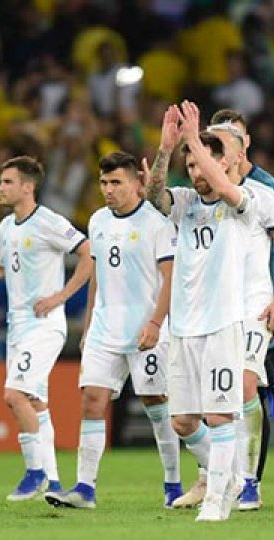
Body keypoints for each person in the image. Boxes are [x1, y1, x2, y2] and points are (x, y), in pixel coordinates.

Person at [0, 156, 92, 501]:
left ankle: (35, 472)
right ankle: (54, 483)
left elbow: (89, 254)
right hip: (18, 328)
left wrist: (61, 296)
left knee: (14, 395)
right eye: (1, 182)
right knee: (36, 402)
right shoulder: (7, 227)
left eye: (8, 182)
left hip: (44, 325)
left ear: (28, 187)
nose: (0, 188)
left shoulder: (49, 222)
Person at [45, 152, 183, 509]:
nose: (108, 190)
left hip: (146, 330)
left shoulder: (157, 223)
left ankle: (173, 485)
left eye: (116, 182)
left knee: (156, 403)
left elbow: (171, 279)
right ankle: (85, 489)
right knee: (92, 400)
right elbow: (98, 276)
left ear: (137, 182)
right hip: (106, 329)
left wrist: (156, 322)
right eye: (104, 183)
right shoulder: (97, 221)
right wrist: (90, 323)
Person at [143, 101, 255, 522]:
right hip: (184, 326)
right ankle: (234, 475)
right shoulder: (186, 201)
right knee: (184, 421)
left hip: (221, 324)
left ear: (225, 162)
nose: (194, 172)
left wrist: (194, 139)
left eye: (201, 163)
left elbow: (226, 189)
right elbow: (154, 195)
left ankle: (217, 499)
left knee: (220, 413)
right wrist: (166, 148)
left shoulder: (243, 201)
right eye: (188, 165)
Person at [206, 120, 274, 511]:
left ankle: (248, 481)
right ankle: (219, 475)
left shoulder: (266, 193)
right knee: (213, 401)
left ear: (241, 152)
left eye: (222, 148)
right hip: (214, 312)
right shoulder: (200, 199)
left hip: (254, 305)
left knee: (246, 386)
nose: (215, 157)